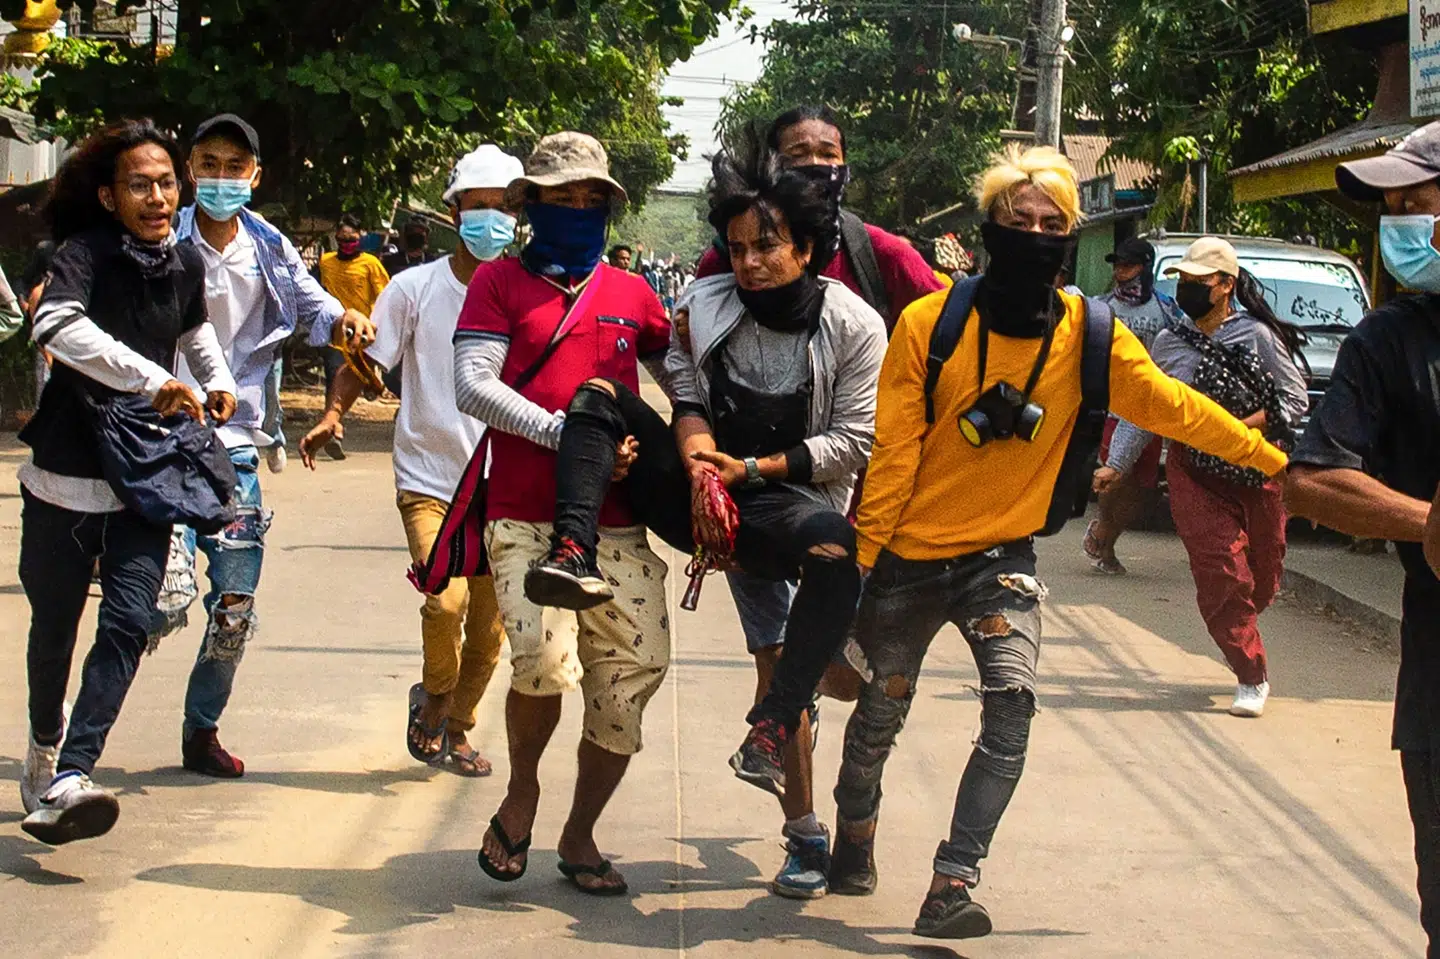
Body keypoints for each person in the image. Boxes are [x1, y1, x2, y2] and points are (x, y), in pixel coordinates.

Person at [827, 145, 1289, 939]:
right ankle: (854, 835)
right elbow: (893, 455)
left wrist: (1272, 456)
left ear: (1071, 240)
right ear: (989, 232)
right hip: (909, 555)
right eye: (1019, 221)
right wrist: (862, 569)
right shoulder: (928, 325)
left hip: (1002, 561)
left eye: (1052, 224)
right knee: (878, 715)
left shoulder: (1092, 333)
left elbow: (1175, 407)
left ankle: (951, 883)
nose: (1036, 235)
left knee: (1013, 707)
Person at [524, 140, 886, 898]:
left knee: (827, 571)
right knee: (598, 393)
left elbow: (853, 442)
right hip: (702, 496)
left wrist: (749, 472)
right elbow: (685, 397)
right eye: (738, 247)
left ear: (808, 248)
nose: (749, 262)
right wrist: (696, 465)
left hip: (785, 508)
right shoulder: (703, 306)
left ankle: (777, 733)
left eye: (768, 246)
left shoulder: (853, 325)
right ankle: (571, 549)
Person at [687, 102, 946, 899]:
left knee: (853, 676)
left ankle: (854, 817)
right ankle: (806, 834)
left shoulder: (880, 259)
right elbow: (688, 373)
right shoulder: (719, 269)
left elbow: (951, 335)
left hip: (866, 504)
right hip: (754, 501)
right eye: (795, 154)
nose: (813, 166)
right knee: (782, 670)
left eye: (826, 154)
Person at [445, 132, 671, 895]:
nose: (578, 210)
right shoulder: (499, 284)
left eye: (591, 200)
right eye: (562, 198)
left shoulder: (635, 295)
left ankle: (580, 833)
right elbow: (472, 385)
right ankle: (522, 790)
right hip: (522, 514)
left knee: (632, 678)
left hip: (617, 525)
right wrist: (565, 435)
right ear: (531, 207)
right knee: (540, 658)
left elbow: (683, 382)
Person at [16, 120, 239, 844]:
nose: (156, 197)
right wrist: (153, 380)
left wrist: (217, 380)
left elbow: (194, 329)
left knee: (129, 619)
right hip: (65, 474)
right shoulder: (84, 254)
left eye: (167, 182)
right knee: (53, 631)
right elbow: (56, 327)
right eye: (139, 185)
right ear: (110, 197)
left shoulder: (183, 263)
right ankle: (46, 744)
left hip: (143, 476)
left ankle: (75, 771)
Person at [146, 113, 373, 779]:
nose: (220, 177)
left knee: (235, 607)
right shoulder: (159, 239)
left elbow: (316, 306)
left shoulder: (269, 246)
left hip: (236, 443)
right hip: (161, 434)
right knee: (160, 594)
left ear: (255, 176)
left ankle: (201, 730)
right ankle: (79, 734)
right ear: (190, 169)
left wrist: (345, 321)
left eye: (234, 166)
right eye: (208, 163)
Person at [299, 144, 523, 777]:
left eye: (501, 209)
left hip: (505, 486)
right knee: (443, 603)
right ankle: (432, 699)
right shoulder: (413, 288)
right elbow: (369, 359)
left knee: (490, 630)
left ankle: (457, 728)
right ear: (454, 211)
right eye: (476, 207)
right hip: (429, 476)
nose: (488, 221)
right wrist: (334, 413)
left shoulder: (529, 293)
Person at [1284, 123, 1440, 956]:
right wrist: (1423, 522)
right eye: (1394, 210)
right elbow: (1310, 479)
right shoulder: (1389, 341)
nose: (1402, 225)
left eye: (1417, 203)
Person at [1105, 238, 1306, 717]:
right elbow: (1146, 408)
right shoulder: (1170, 343)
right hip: (1195, 472)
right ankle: (1250, 671)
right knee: (1220, 571)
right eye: (1183, 281)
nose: (1188, 290)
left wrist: (1237, 430)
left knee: (1264, 574)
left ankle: (1240, 623)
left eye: (1199, 283)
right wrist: (1116, 461)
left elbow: (1295, 402)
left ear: (1226, 286)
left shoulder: (1257, 336)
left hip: (1258, 468)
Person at [1085, 237, 1185, 573]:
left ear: (1144, 267)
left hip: (1150, 410)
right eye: (1117, 265)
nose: (1119, 272)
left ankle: (1106, 533)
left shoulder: (1167, 311)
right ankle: (1106, 544)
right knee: (1116, 473)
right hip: (1111, 406)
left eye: (1127, 265)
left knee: (1142, 489)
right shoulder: (1101, 307)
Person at [316, 212, 389, 458]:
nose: (346, 244)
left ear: (360, 239)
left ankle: (372, 385)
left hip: (363, 334)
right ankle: (333, 429)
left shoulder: (371, 264)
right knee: (334, 377)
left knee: (361, 378)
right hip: (336, 332)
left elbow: (383, 296)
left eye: (352, 239)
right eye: (342, 239)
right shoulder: (325, 262)